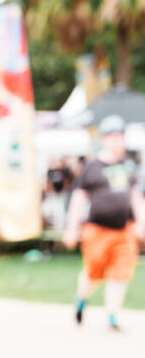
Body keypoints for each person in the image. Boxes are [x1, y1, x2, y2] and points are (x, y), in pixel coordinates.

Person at [62, 114, 145, 330]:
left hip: (124, 229)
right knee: (94, 272)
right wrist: (71, 228)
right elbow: (79, 199)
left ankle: (112, 317)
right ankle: (81, 299)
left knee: (120, 274)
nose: (118, 141)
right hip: (97, 229)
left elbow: (136, 196)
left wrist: (141, 223)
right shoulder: (92, 167)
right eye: (113, 137)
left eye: (121, 136)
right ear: (104, 139)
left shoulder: (129, 165)